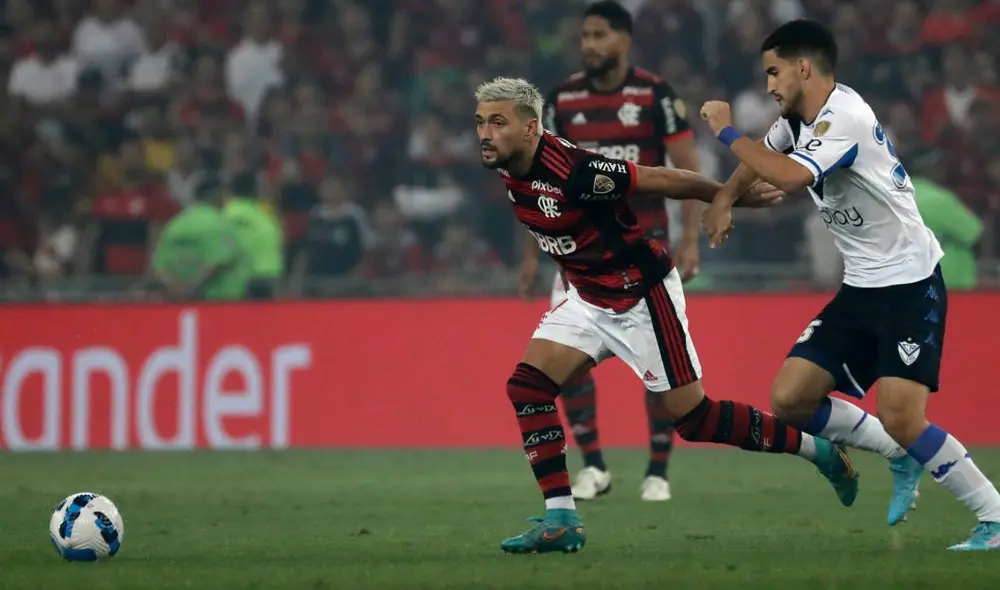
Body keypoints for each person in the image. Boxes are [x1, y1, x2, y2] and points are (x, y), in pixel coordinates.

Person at [475, 76, 857, 555]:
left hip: (641, 295)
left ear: (530, 129)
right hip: (590, 299)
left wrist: (728, 195)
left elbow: (664, 178)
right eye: (480, 123)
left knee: (695, 420)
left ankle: (817, 449)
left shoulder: (574, 170)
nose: (485, 134)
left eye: (497, 123)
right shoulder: (510, 165)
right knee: (528, 387)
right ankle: (562, 519)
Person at [700, 19, 1000, 551]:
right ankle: (898, 452)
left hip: (910, 284)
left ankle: (993, 516)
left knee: (903, 416)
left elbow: (789, 178)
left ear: (803, 68)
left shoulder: (846, 116)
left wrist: (726, 130)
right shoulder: (796, 120)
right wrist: (725, 198)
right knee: (791, 399)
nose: (768, 86)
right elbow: (761, 164)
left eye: (773, 73)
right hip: (861, 288)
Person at [524, 0, 702, 502]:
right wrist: (529, 257)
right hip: (577, 256)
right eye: (585, 36)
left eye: (599, 35)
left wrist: (690, 240)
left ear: (624, 40)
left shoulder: (654, 94)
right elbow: (538, 181)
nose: (589, 45)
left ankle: (658, 471)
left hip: (643, 251)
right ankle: (594, 466)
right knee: (565, 364)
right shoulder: (562, 99)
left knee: (656, 367)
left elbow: (684, 166)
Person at [152, 177, 250, 301]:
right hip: (218, 301)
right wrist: (191, 288)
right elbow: (219, 263)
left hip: (175, 299)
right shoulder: (221, 223)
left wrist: (175, 288)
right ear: (219, 197)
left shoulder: (176, 223)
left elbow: (158, 263)